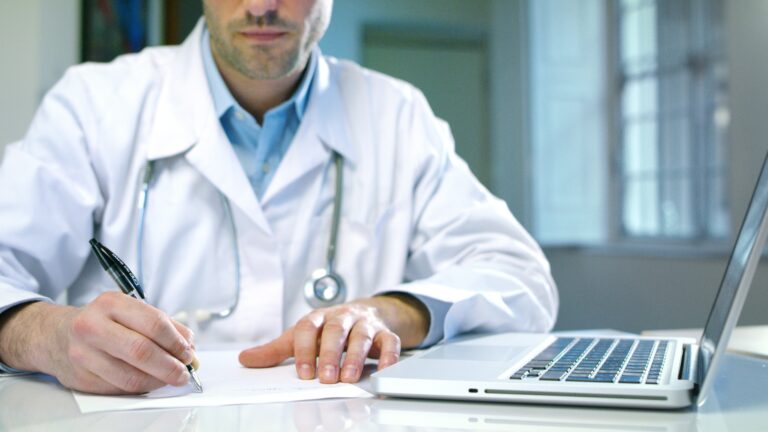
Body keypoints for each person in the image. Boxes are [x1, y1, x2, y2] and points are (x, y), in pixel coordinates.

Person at [0, 0, 558, 395]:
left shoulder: (397, 115)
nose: (262, 5)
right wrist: (46, 335)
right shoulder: (93, 104)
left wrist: (389, 310)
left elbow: (521, 279)